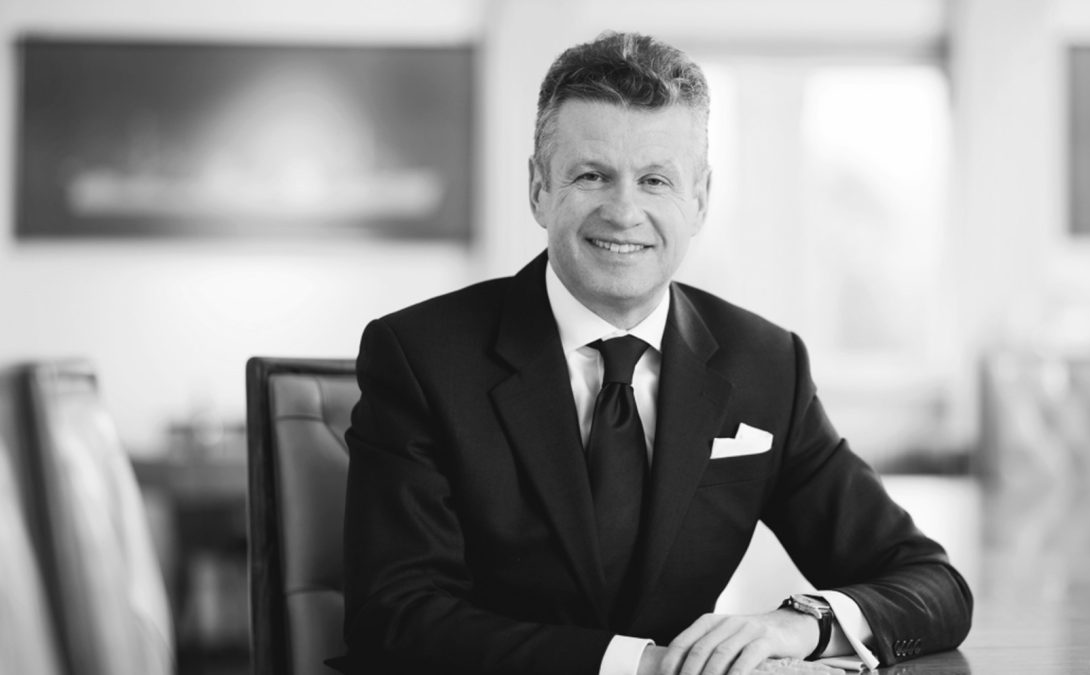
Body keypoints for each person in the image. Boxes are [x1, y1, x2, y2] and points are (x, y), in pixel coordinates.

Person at [336, 31, 972, 675]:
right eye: (592, 176)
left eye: (655, 180)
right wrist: (644, 665)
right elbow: (395, 617)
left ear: (699, 200)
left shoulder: (766, 366)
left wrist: (800, 624)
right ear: (538, 189)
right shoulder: (420, 357)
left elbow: (931, 585)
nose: (624, 211)